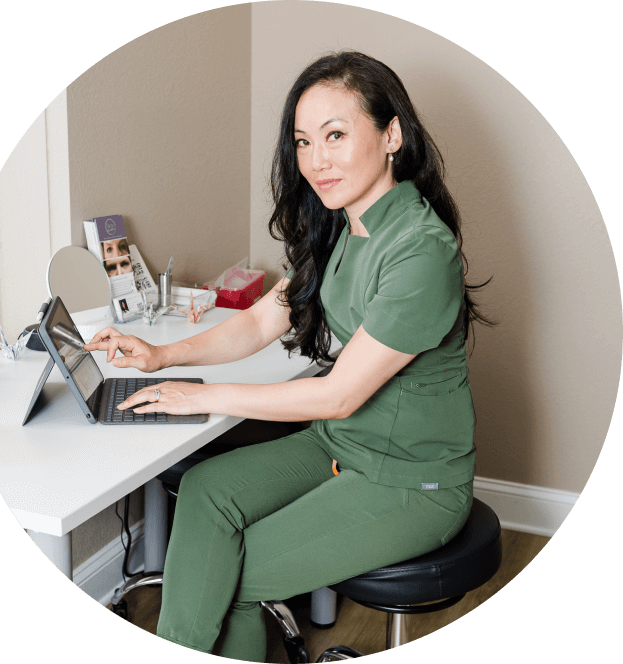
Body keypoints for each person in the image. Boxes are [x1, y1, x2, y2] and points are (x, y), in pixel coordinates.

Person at [84, 50, 494, 661]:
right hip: (340, 444)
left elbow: (339, 393)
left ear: (392, 135)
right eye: (303, 142)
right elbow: (255, 322)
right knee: (204, 487)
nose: (316, 161)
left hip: (412, 481)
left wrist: (202, 396)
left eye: (335, 135)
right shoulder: (340, 229)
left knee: (237, 578)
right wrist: (160, 356)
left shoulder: (419, 250)